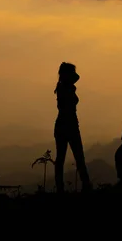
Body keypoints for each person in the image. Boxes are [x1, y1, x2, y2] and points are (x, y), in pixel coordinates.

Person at [53, 62, 91, 193]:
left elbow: (76, 77)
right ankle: (85, 186)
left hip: (64, 125)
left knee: (62, 158)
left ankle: (61, 188)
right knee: (77, 157)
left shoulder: (63, 86)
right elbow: (76, 77)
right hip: (69, 125)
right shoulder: (66, 88)